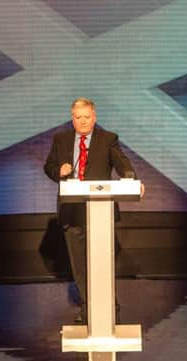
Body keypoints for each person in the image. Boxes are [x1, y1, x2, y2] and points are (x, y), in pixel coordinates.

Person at [43, 98, 143, 323]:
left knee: (101, 260)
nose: (83, 121)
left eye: (87, 117)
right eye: (78, 118)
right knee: (79, 264)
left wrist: (133, 180)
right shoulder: (61, 139)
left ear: (94, 117)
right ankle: (89, 306)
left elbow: (123, 164)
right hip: (72, 210)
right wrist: (59, 170)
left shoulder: (108, 139)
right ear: (73, 119)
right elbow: (48, 166)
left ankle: (108, 303)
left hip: (100, 210)